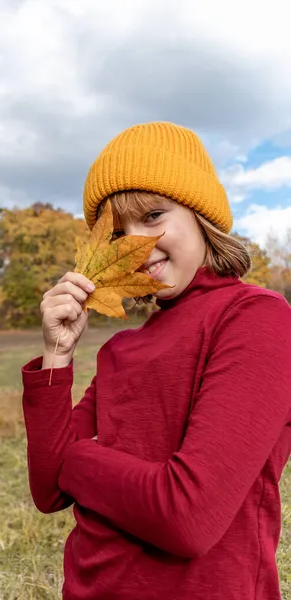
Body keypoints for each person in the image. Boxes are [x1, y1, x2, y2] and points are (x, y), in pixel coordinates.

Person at [21, 122, 291, 600]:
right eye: (118, 233)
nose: (137, 245)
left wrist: (78, 458)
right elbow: (48, 490)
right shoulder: (120, 349)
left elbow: (188, 516)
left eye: (152, 215)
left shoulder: (255, 318)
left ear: (200, 213)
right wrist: (57, 357)